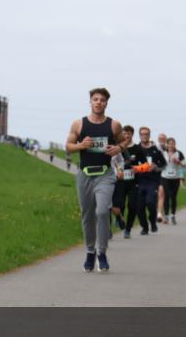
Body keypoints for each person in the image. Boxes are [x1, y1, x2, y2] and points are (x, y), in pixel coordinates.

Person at [65, 88, 123, 272]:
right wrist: (81, 145)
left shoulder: (114, 125)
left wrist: (118, 148)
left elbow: (123, 142)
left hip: (105, 174)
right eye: (95, 99)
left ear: (107, 103)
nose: (99, 102)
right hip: (85, 175)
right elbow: (68, 146)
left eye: (102, 100)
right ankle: (90, 252)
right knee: (88, 216)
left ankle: (102, 252)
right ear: (90, 102)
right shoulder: (78, 124)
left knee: (102, 212)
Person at [128, 127, 167, 236]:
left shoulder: (155, 149)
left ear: (149, 135)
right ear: (139, 136)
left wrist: (156, 167)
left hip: (152, 181)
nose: (144, 136)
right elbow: (129, 163)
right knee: (140, 208)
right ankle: (144, 227)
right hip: (139, 181)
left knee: (150, 202)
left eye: (146, 134)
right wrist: (134, 168)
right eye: (142, 134)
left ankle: (153, 222)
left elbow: (163, 164)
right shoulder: (136, 149)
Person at [110, 125, 137, 237]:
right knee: (106, 206)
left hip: (122, 179)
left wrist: (121, 168)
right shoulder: (102, 143)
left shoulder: (121, 147)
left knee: (118, 207)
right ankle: (107, 230)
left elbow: (127, 159)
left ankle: (121, 220)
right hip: (105, 178)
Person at [160, 137, 186, 225]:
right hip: (165, 177)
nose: (171, 145)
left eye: (173, 143)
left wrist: (178, 162)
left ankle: (173, 215)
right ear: (167, 144)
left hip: (175, 177)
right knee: (166, 196)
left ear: (175, 144)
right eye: (169, 143)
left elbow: (184, 165)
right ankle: (166, 216)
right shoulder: (163, 153)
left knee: (173, 197)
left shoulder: (179, 153)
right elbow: (159, 163)